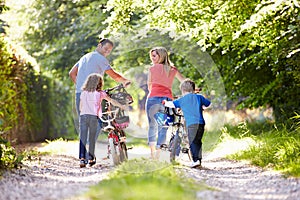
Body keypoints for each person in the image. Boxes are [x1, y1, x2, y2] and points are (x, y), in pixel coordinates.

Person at [69, 38, 131, 133]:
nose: (106, 51)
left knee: (84, 124)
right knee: (98, 123)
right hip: (93, 94)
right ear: (99, 46)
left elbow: (72, 73)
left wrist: (82, 86)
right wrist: (125, 81)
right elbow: (113, 75)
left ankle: (85, 146)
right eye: (105, 48)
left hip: (80, 94)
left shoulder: (85, 57)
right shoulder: (101, 58)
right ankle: (91, 145)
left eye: (109, 51)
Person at [79, 73, 127, 168]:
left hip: (83, 116)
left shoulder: (84, 93)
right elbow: (111, 101)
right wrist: (122, 106)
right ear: (99, 83)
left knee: (83, 138)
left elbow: (81, 106)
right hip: (93, 117)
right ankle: (91, 158)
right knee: (92, 138)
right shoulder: (100, 93)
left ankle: (82, 159)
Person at [146, 46, 185, 159]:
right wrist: (193, 89)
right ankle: (157, 153)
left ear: (161, 56)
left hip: (153, 98)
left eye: (154, 56)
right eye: (151, 56)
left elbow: (149, 85)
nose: (152, 58)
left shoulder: (152, 69)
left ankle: (152, 154)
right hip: (167, 100)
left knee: (152, 126)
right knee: (163, 126)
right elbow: (183, 82)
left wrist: (155, 92)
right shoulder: (172, 70)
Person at [163, 79, 211, 168]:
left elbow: (171, 104)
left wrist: (165, 103)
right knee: (198, 141)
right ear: (193, 89)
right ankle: (199, 160)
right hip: (201, 123)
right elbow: (208, 104)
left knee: (192, 142)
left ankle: (195, 160)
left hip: (191, 124)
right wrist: (202, 107)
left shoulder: (182, 100)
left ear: (183, 91)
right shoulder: (199, 97)